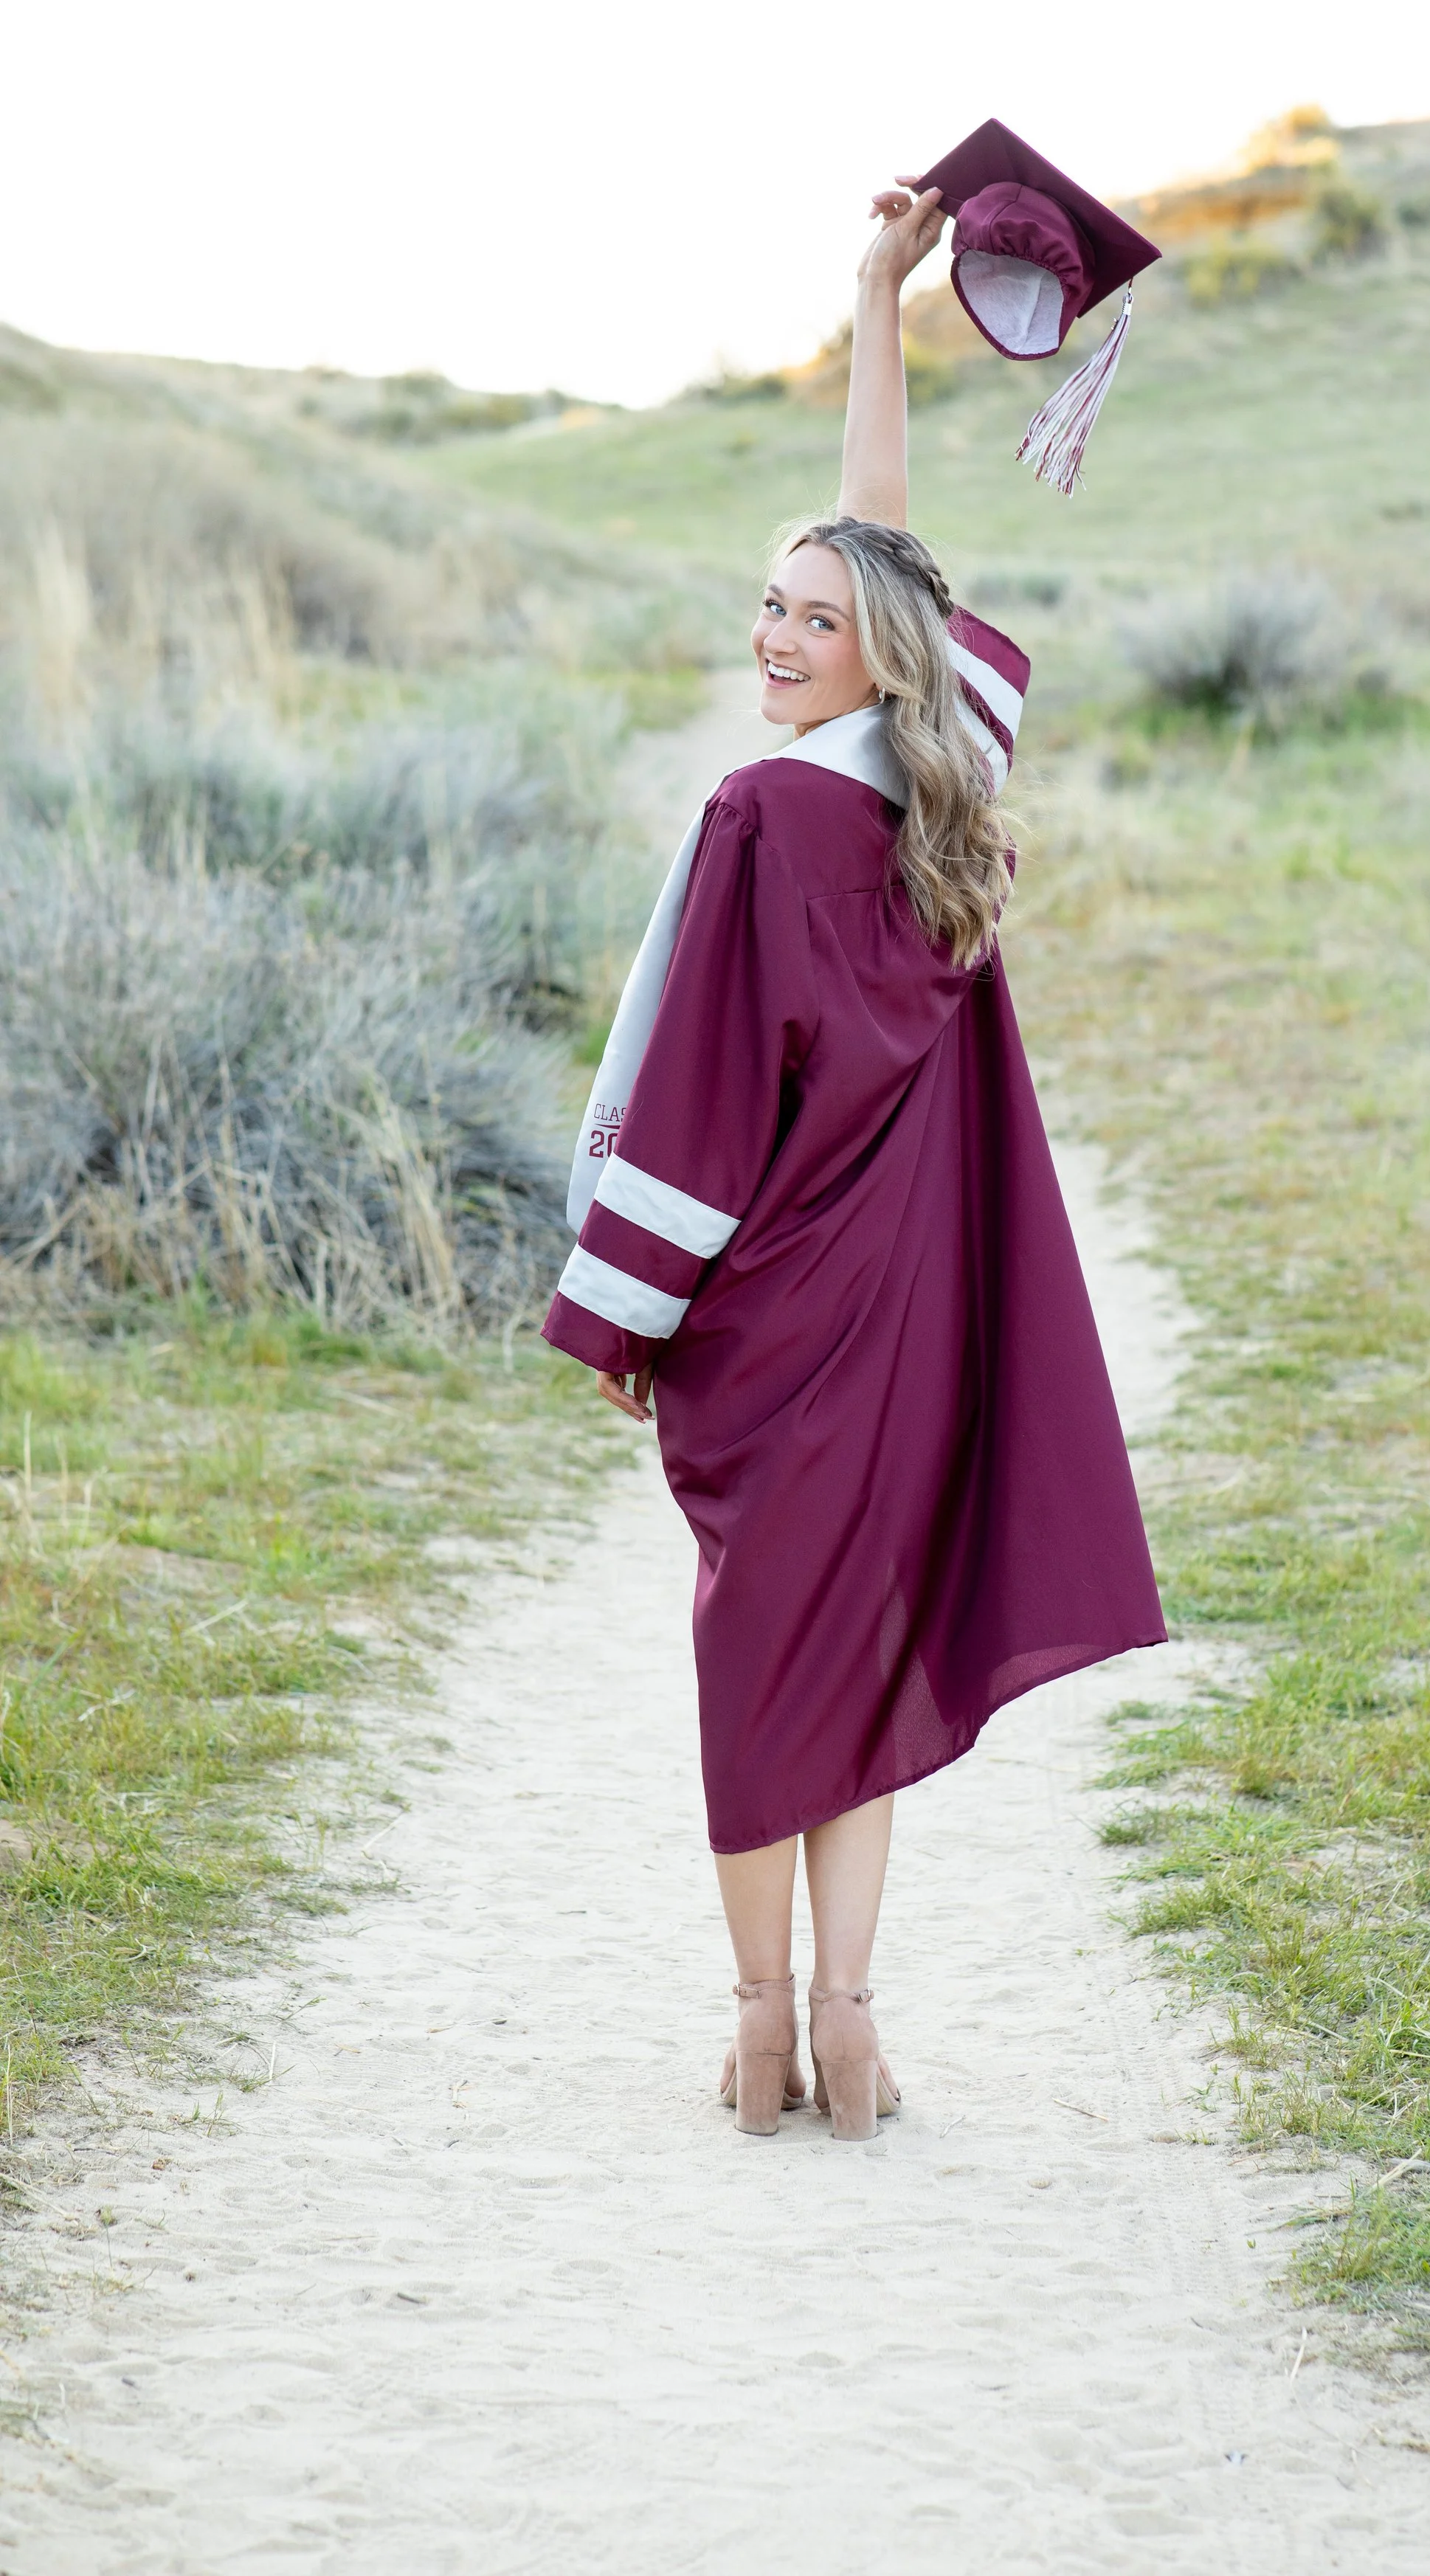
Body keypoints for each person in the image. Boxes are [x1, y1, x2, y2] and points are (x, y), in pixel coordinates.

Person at [542, 178, 1165, 2141]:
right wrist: (874, 305)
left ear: (865, 655)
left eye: (809, 620)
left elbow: (700, 1100)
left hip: (771, 1312)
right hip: (900, 1308)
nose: (774, 634)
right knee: (859, 1648)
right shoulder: (934, 793)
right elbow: (888, 540)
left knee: (759, 1653)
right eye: (764, 607)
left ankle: (762, 2027)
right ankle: (852, 2022)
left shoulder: (758, 815)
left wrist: (629, 1310)